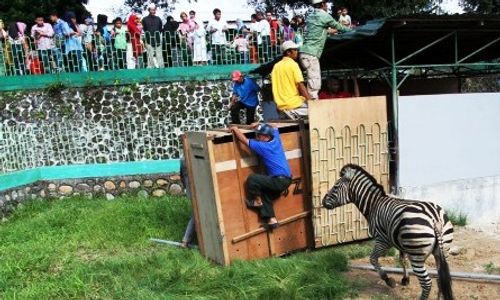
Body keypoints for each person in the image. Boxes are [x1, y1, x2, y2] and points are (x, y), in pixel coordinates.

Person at [230, 123, 292, 230]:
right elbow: (274, 125)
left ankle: (257, 201)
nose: (257, 137)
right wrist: (259, 125)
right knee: (266, 196)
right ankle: (272, 220)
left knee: (253, 179)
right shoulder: (276, 139)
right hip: (287, 179)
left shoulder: (263, 146)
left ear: (266, 137)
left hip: (279, 181)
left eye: (259, 135)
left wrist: (235, 129)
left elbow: (244, 140)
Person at [299, 0, 350, 99]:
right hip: (311, 54)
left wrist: (334, 30)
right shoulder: (324, 16)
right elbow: (338, 26)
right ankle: (314, 107)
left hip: (304, 53)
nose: (327, 5)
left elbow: (323, 30)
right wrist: (350, 29)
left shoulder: (310, 17)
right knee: (314, 84)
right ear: (322, 4)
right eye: (326, 4)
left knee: (311, 80)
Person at [271, 40, 311, 119]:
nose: (297, 52)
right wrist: (311, 102)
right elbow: (300, 85)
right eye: (295, 50)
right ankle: (293, 112)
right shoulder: (293, 64)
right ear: (288, 52)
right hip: (293, 104)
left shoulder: (276, 66)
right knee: (315, 111)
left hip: (280, 106)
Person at [180, 156, 196, 248]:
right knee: (195, 214)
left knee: (196, 214)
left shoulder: (183, 158)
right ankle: (185, 240)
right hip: (196, 191)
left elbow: (182, 177)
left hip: (190, 190)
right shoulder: (191, 157)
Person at [142, 3, 164, 68]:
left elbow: (160, 28)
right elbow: (144, 28)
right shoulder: (145, 19)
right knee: (150, 54)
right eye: (152, 10)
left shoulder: (158, 19)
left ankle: (161, 68)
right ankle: (151, 68)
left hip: (157, 39)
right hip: (149, 39)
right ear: (149, 10)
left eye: (154, 10)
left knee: (159, 54)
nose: (153, 11)